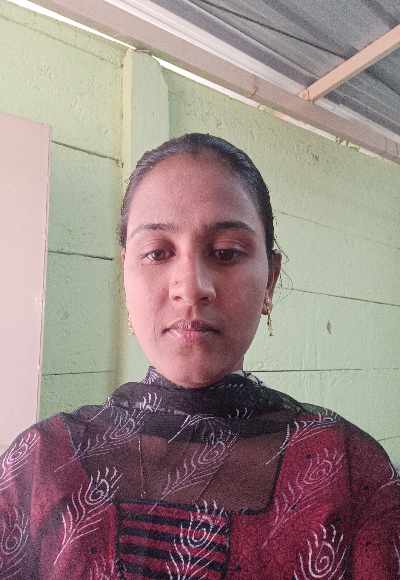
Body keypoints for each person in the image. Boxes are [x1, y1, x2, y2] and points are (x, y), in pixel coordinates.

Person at [0, 133, 399, 579]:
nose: (191, 287)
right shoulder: (39, 465)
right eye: (157, 253)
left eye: (226, 252)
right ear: (126, 276)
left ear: (270, 281)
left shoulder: (350, 472)